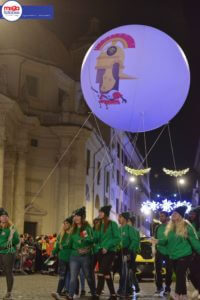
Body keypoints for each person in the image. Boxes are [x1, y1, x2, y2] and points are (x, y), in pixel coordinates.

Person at [152, 206, 200, 300]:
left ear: (180, 216)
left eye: (175, 214)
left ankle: (178, 294)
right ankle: (183, 295)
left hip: (185, 254)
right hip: (173, 256)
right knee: (179, 275)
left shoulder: (186, 226)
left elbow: (194, 241)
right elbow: (166, 241)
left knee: (180, 273)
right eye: (173, 213)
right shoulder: (170, 227)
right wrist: (156, 241)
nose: (173, 215)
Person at [67, 206, 96, 300]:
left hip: (85, 257)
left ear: (82, 217)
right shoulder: (73, 229)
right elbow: (69, 244)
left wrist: (84, 241)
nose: (76, 218)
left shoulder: (86, 228)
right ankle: (70, 295)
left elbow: (91, 240)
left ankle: (94, 293)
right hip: (74, 257)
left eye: (78, 216)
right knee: (73, 277)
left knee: (88, 276)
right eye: (75, 216)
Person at [95, 205, 120, 300]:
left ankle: (97, 295)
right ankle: (113, 295)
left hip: (110, 252)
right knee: (106, 273)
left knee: (101, 272)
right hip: (100, 252)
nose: (99, 214)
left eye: (101, 212)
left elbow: (117, 238)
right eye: (99, 212)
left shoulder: (112, 224)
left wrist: (107, 246)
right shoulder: (99, 224)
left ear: (105, 213)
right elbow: (97, 238)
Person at [117, 212, 140, 297]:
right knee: (121, 272)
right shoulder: (119, 229)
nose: (119, 219)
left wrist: (129, 250)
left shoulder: (130, 229)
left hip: (127, 253)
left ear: (125, 219)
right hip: (119, 253)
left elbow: (134, 240)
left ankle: (126, 289)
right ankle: (123, 289)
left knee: (126, 271)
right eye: (119, 217)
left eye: (121, 217)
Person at [0, 208, 20, 300]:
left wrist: (10, 241)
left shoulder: (12, 228)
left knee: (8, 272)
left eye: (6, 216)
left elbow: (17, 240)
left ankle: (9, 293)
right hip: (0, 251)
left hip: (8, 252)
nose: (4, 218)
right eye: (2, 216)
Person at [51, 216, 73, 300]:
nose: (65, 225)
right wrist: (53, 252)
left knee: (72, 276)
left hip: (71, 258)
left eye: (67, 223)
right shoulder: (61, 234)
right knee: (62, 275)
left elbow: (70, 245)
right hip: (62, 258)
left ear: (70, 225)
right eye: (64, 223)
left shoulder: (72, 235)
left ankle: (73, 291)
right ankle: (58, 292)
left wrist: (63, 246)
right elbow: (57, 246)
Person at [154, 211, 173, 296]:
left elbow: (167, 240)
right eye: (160, 216)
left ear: (167, 217)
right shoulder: (157, 227)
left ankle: (168, 288)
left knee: (169, 271)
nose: (160, 218)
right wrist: (154, 249)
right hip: (159, 251)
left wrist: (157, 241)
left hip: (169, 252)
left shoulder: (171, 227)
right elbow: (155, 239)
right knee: (158, 270)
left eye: (162, 216)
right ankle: (159, 287)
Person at [188, 207, 200, 299]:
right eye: (190, 214)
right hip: (191, 253)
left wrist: (190, 237)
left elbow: (196, 237)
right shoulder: (190, 225)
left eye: (193, 214)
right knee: (191, 274)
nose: (191, 215)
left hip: (198, 252)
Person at [127, 214, 141, 295]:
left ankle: (132, 287)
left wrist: (133, 250)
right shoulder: (130, 230)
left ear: (131, 222)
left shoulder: (134, 231)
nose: (127, 223)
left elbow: (137, 242)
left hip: (132, 252)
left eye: (128, 221)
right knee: (130, 271)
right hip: (131, 252)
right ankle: (134, 287)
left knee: (130, 271)